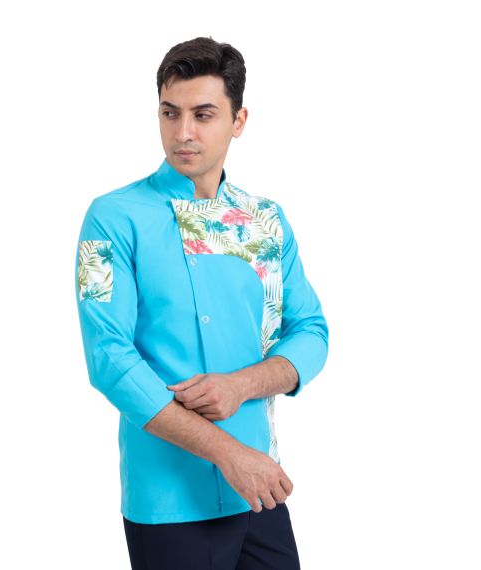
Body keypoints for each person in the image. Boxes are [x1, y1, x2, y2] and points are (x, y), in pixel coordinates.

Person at [74, 36, 329, 570]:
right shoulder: (109, 220)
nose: (182, 132)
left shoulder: (266, 220)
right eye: (170, 113)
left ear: (238, 121)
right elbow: (108, 359)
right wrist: (228, 453)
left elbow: (310, 331)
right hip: (169, 499)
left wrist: (241, 386)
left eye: (203, 114)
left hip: (259, 488)